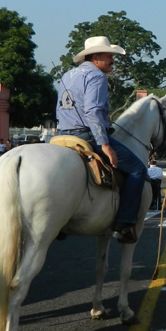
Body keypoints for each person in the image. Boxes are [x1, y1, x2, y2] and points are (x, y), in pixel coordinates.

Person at [56, 36, 147, 244]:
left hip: (62, 135)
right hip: (86, 135)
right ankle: (124, 224)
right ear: (96, 57)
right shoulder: (97, 77)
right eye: (109, 56)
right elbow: (93, 112)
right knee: (137, 170)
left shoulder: (67, 75)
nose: (113, 61)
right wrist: (105, 144)